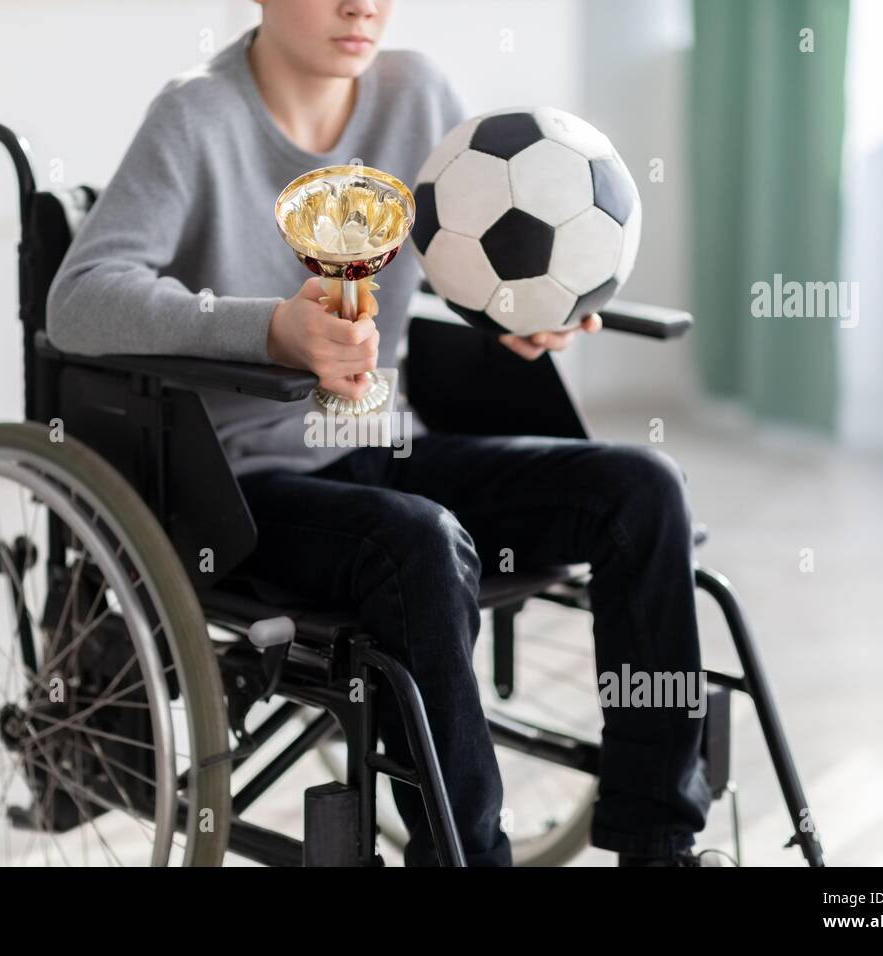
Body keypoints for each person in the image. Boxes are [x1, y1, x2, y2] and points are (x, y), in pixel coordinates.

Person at [47, 0, 712, 866]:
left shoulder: (415, 92)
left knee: (642, 491)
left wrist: (513, 311)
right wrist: (269, 331)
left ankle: (658, 841)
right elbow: (80, 299)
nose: (362, 5)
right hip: (243, 489)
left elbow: (464, 250)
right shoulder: (195, 116)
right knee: (420, 545)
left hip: (384, 448)